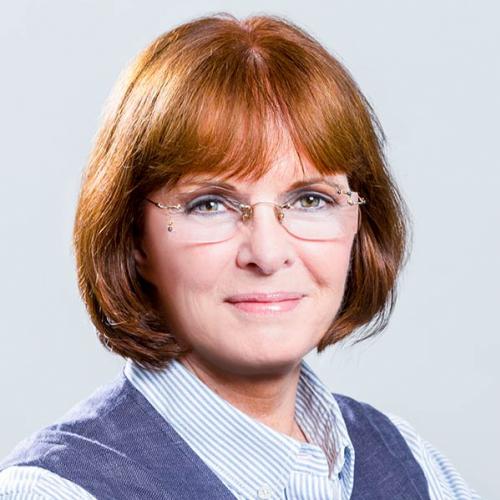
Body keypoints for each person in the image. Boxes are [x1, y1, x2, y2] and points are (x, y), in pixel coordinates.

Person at [0, 12, 480, 500]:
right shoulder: (56, 490)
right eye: (210, 205)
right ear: (135, 239)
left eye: (310, 199)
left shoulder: (413, 465)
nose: (267, 254)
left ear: (359, 220)